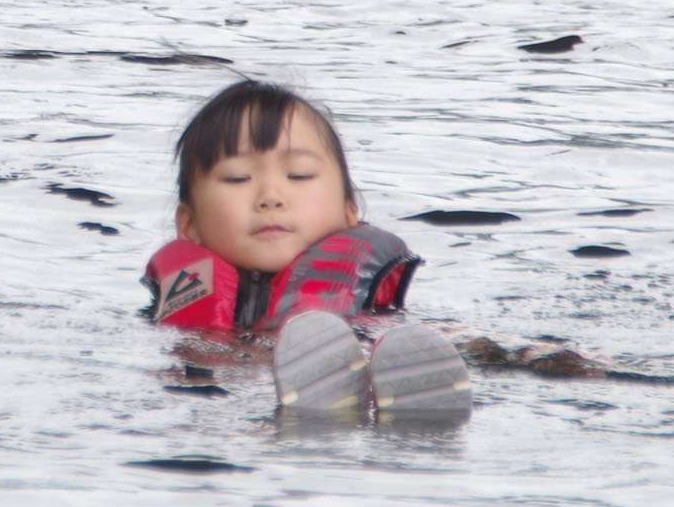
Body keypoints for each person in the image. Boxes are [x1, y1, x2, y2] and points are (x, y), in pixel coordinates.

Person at [143, 81, 474, 417]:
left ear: (349, 213)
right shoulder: (179, 305)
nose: (270, 197)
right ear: (189, 225)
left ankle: (400, 389)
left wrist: (482, 349)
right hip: (233, 400)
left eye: (299, 175)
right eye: (238, 178)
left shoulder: (372, 309)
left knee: (403, 344)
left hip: (361, 349)